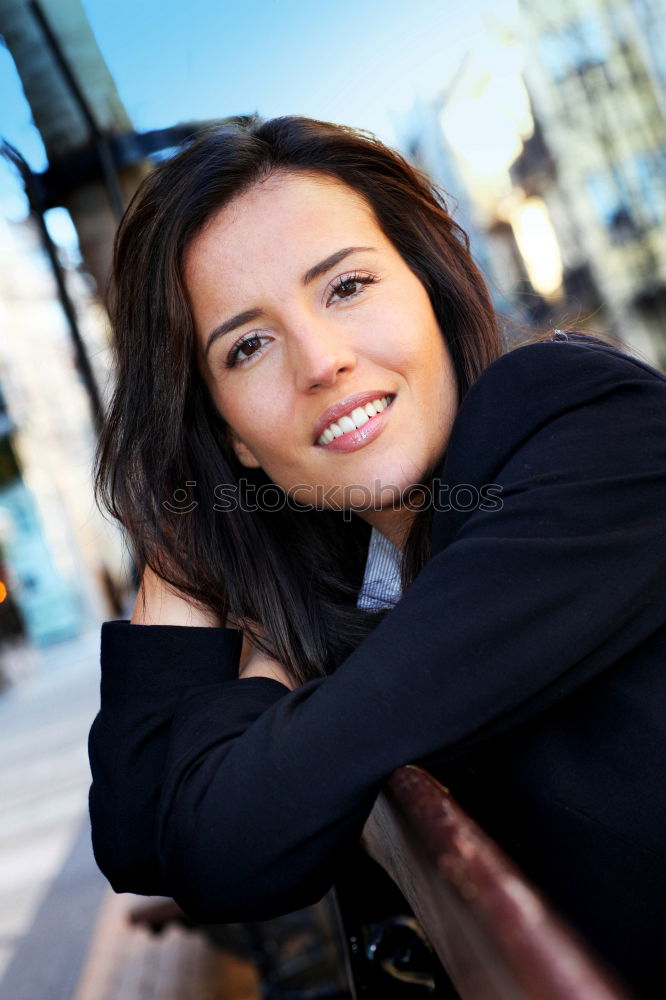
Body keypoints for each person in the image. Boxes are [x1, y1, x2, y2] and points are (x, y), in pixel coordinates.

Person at [87, 114, 666, 998]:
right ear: (231, 434)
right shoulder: (372, 577)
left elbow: (223, 842)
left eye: (348, 286)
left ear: (431, 286)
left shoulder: (580, 426)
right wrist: (180, 547)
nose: (321, 361)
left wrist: (268, 666)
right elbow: (142, 837)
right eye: (248, 346)